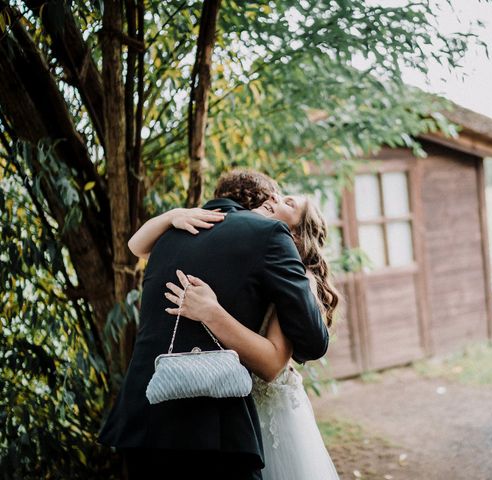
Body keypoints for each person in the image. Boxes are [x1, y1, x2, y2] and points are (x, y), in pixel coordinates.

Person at [99, 169, 329, 479]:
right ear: (259, 200)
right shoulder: (269, 236)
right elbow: (313, 344)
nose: (276, 200)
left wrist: (172, 215)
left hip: (142, 420)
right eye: (276, 195)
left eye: (287, 201)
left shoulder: (168, 235)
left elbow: (134, 247)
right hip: (213, 431)